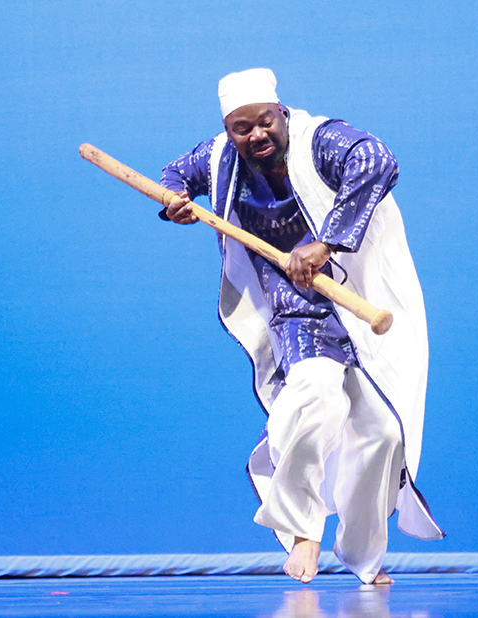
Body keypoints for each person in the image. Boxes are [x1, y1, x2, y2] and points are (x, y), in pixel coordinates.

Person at [160, 68, 444, 585]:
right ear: (229, 129)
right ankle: (302, 530)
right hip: (297, 304)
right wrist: (174, 199)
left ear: (280, 112)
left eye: (263, 122)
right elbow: (175, 174)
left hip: (359, 298)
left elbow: (378, 160)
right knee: (314, 395)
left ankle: (362, 554)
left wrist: (328, 242)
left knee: (381, 434)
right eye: (241, 128)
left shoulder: (323, 140)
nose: (255, 136)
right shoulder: (221, 155)